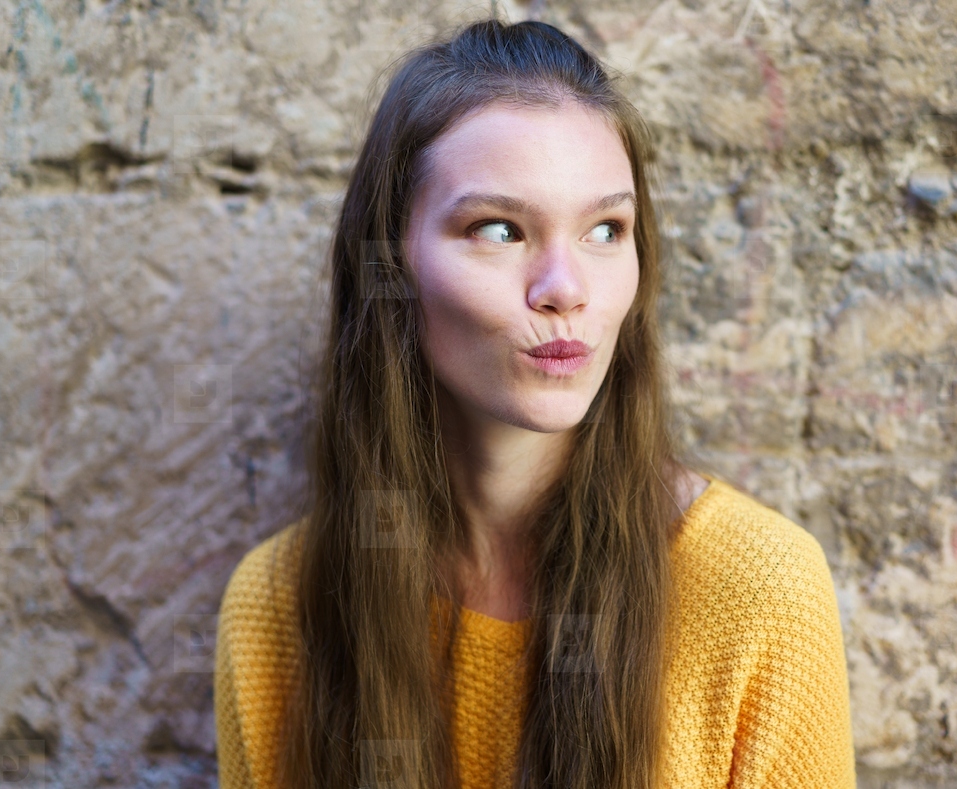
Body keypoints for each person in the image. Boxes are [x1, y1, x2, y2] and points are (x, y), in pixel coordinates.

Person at [213, 17, 855, 789]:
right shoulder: (277, 610)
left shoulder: (758, 590)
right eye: (500, 229)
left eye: (606, 229)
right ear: (390, 263)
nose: (565, 289)